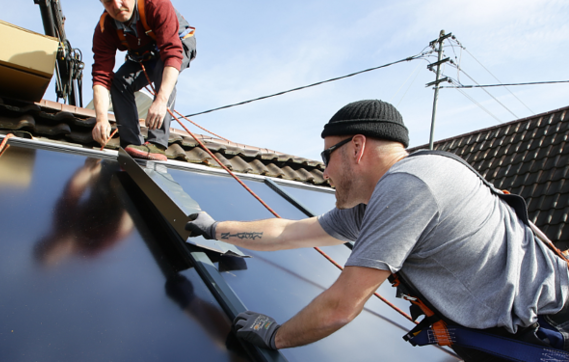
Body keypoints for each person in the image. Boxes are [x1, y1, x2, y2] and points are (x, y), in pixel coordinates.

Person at [185, 99, 569, 361]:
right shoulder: (373, 204)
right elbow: (290, 232)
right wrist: (215, 229)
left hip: (548, 338)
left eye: (326, 156)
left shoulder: (409, 185)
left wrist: (276, 335)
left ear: (357, 147)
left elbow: (340, 307)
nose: (324, 172)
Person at [90, 0, 196, 160]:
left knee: (161, 68)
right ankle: (131, 144)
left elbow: (172, 53)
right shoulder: (105, 29)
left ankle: (157, 144)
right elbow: (101, 77)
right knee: (119, 81)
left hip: (177, 45)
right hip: (144, 56)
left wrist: (160, 100)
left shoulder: (154, 0)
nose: (117, 5)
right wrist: (102, 119)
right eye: (108, 1)